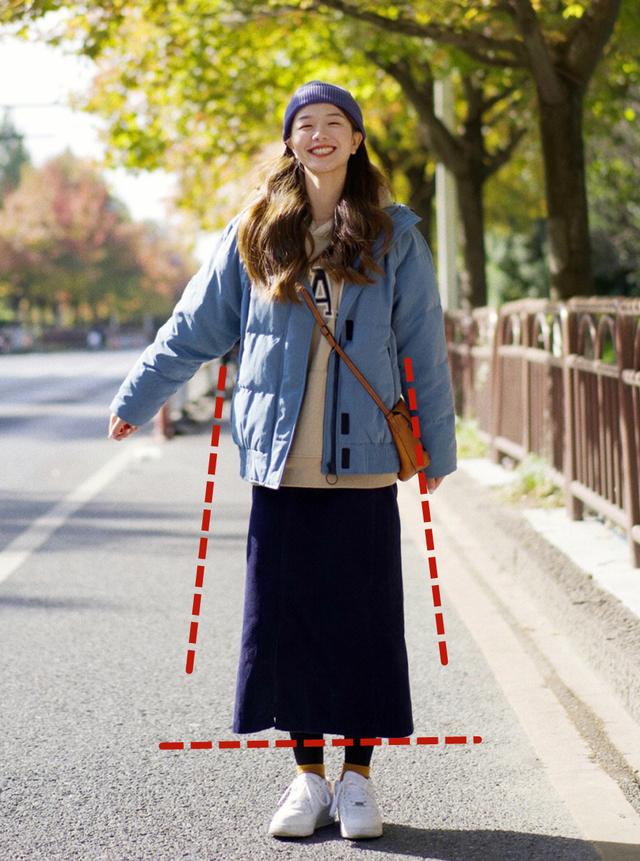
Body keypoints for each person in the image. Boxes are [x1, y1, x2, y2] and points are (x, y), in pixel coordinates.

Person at [107, 80, 456, 841]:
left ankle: (358, 779)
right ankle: (306, 778)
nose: (321, 135)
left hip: (363, 461)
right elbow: (195, 326)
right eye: (307, 125)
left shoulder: (396, 234)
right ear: (290, 141)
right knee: (287, 623)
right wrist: (137, 397)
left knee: (363, 622)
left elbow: (425, 348)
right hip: (280, 463)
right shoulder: (257, 231)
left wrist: (435, 451)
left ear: (357, 140)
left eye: (336, 123)